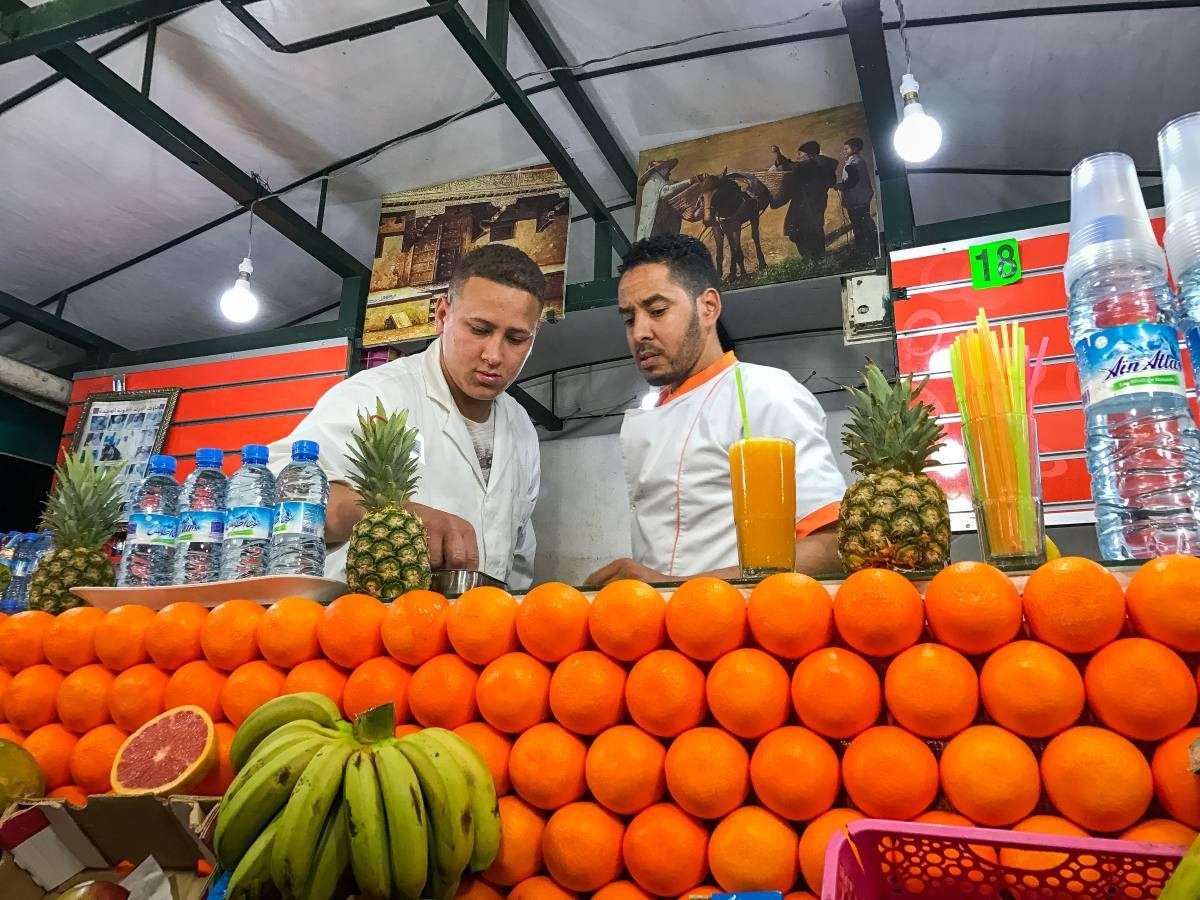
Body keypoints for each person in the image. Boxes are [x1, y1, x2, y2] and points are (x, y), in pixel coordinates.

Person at [268, 244, 544, 589]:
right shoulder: (375, 395)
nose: (493, 355)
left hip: (478, 631)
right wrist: (388, 517)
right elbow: (280, 486)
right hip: (367, 628)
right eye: (479, 329)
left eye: (516, 338)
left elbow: (518, 551)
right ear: (442, 315)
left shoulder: (521, 428)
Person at [587, 235, 846, 586]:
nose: (640, 332)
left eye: (657, 311)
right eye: (629, 319)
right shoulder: (657, 407)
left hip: (741, 625)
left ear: (708, 307)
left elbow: (832, 546)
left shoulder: (764, 394)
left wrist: (673, 588)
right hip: (662, 627)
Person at [769, 141, 838, 260]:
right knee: (815, 230)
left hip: (804, 204)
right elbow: (831, 182)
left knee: (798, 231)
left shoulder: (808, 165)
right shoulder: (824, 164)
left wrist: (778, 154)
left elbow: (790, 166)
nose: (798, 157)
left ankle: (809, 259)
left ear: (807, 155)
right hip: (818, 202)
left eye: (800, 154)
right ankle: (819, 258)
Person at [636, 158, 698, 240]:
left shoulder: (655, 182)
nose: (669, 173)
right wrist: (690, 181)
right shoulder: (654, 181)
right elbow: (667, 191)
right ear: (662, 170)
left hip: (654, 226)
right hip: (651, 228)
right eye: (667, 169)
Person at [837, 137, 878, 260]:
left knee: (859, 223)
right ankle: (870, 246)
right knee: (864, 221)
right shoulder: (856, 161)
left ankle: (864, 248)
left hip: (857, 199)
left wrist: (841, 185)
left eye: (846, 148)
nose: (844, 151)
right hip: (861, 198)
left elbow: (852, 180)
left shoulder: (853, 163)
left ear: (855, 149)